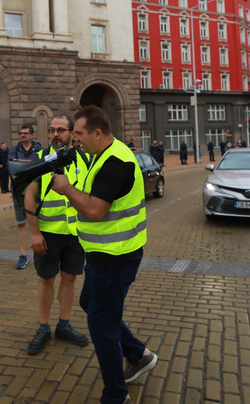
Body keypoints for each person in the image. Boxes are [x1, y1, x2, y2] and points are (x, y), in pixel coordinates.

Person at [50, 105, 157, 404]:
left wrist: (66, 189)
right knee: (92, 306)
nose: (76, 140)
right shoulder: (102, 155)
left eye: (80, 134)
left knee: (101, 325)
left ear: (97, 132)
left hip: (115, 258)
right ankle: (139, 354)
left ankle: (115, 395)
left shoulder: (115, 162)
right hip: (104, 255)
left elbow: (96, 210)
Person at [23, 114, 90, 355]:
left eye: (60, 130)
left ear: (72, 134)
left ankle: (64, 324)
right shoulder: (40, 159)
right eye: (52, 130)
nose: (54, 135)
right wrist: (34, 233)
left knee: (70, 278)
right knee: (46, 279)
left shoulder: (83, 160)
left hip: (75, 233)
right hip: (47, 234)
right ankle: (43, 327)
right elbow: (29, 197)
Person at [8, 124, 43, 270]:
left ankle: (42, 250)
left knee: (40, 222)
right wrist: (31, 164)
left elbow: (41, 165)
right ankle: (22, 255)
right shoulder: (13, 150)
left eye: (25, 133)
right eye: (20, 133)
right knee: (21, 223)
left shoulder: (40, 149)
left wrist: (22, 164)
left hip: (37, 191)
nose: (22, 135)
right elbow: (12, 166)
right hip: (18, 191)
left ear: (32, 135)